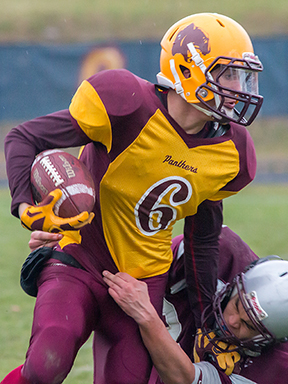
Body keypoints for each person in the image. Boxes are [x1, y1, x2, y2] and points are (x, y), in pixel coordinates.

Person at [3, 12, 263, 384]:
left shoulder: (231, 152)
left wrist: (207, 320)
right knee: (45, 367)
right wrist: (27, 207)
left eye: (243, 75)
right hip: (80, 256)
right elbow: (24, 139)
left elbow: (200, 240)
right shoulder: (127, 104)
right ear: (188, 71)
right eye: (228, 74)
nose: (240, 87)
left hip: (142, 283)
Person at [103, 227, 288, 384]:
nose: (231, 320)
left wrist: (146, 316)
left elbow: (184, 379)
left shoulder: (273, 369)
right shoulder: (223, 252)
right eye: (237, 305)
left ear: (269, 340)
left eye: (249, 325)